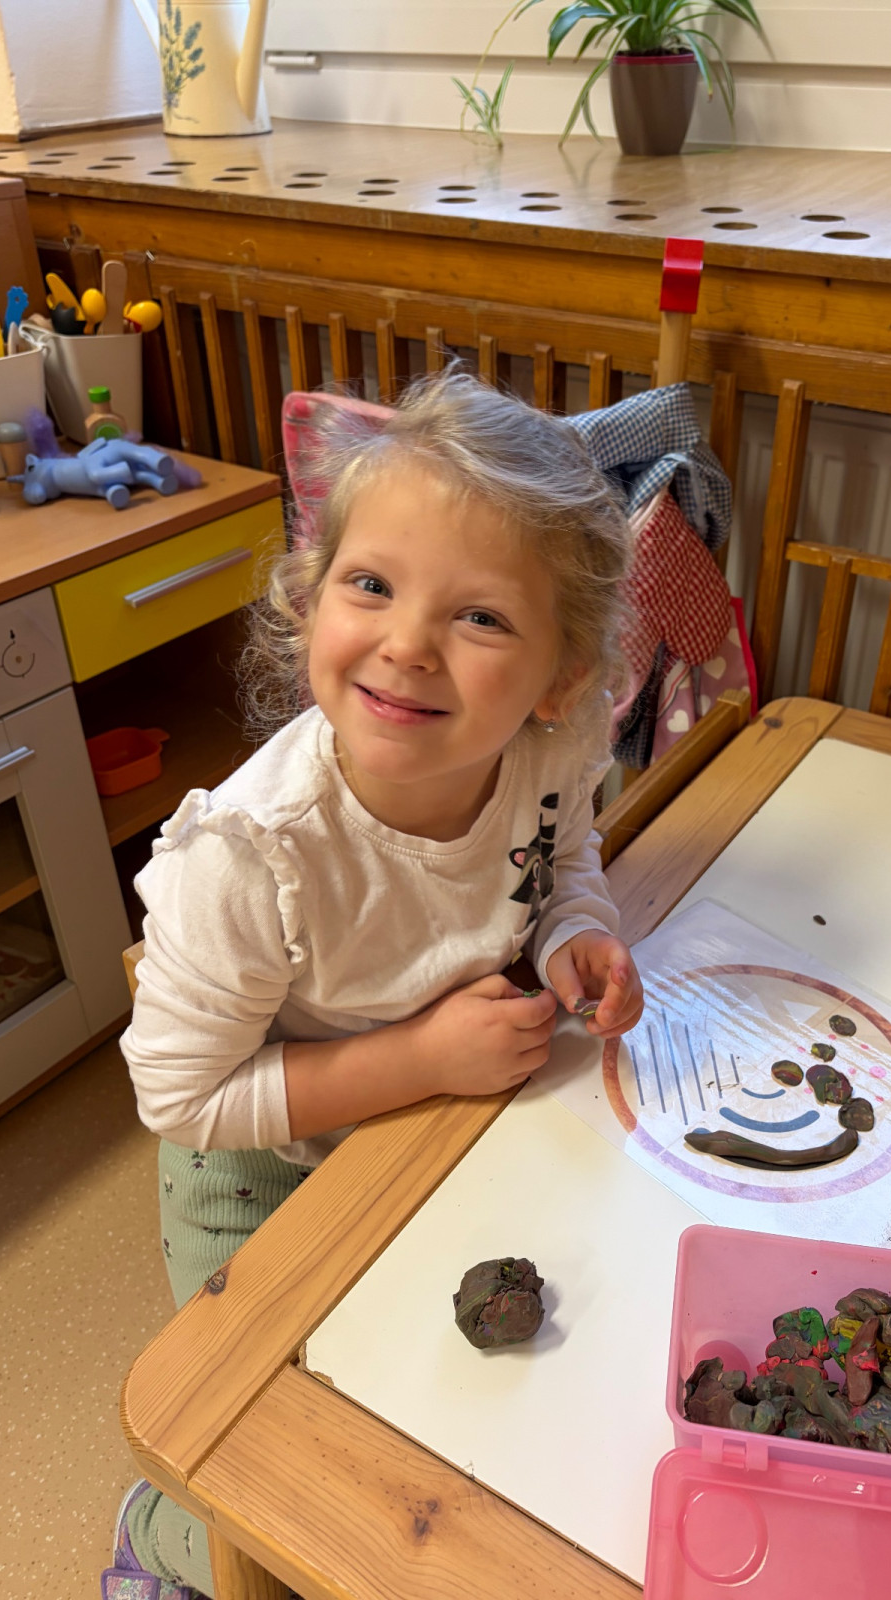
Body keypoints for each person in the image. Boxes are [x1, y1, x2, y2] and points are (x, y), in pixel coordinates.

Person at [106, 368, 646, 1599]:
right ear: (309, 600)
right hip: (260, 1169)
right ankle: (161, 1532)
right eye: (371, 586)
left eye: (481, 617)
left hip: (431, 1122)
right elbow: (182, 1099)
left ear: (561, 679)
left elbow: (565, 854)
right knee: (274, 1488)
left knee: (429, 1426)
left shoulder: (545, 755)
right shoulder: (251, 856)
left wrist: (575, 930)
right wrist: (419, 1058)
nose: (406, 643)